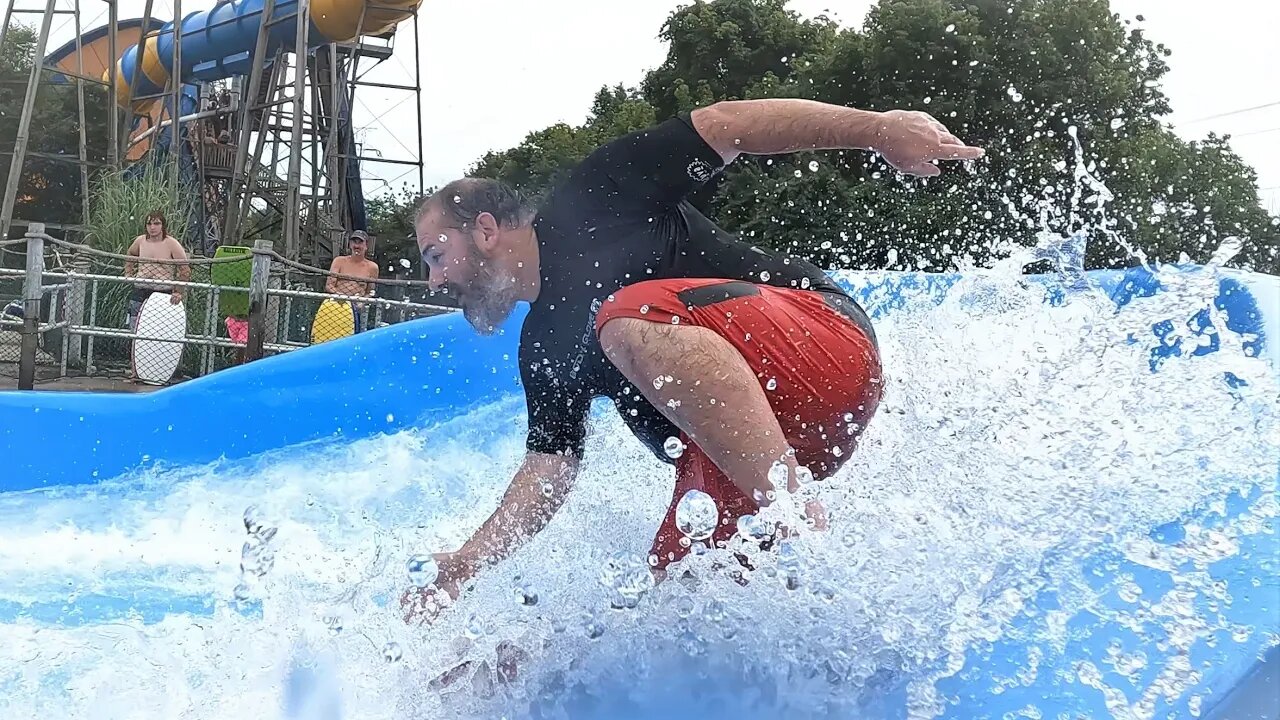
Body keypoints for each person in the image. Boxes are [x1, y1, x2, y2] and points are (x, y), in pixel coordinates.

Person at [403, 98, 984, 623]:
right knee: (674, 618)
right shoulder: (542, 346)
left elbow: (727, 126)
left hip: (822, 344)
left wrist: (876, 129)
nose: (433, 280)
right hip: (761, 450)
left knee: (625, 319)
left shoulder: (595, 196)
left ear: (484, 230)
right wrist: (467, 562)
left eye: (436, 254)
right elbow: (549, 470)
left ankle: (797, 523)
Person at [124, 210, 190, 331]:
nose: (152, 227)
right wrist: (128, 272)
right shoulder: (140, 241)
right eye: (149, 224)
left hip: (163, 293)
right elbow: (130, 254)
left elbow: (185, 269)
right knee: (134, 330)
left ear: (163, 225)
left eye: (156, 223)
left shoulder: (172, 244)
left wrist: (178, 292)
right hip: (140, 291)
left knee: (159, 331)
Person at [325, 230, 380, 332]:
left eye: (360, 242)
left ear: (366, 245)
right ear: (350, 244)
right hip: (336, 306)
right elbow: (329, 285)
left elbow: (371, 292)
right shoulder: (339, 261)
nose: (357, 245)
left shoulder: (372, 267)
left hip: (356, 310)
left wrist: (361, 302)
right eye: (354, 242)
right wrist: (343, 298)